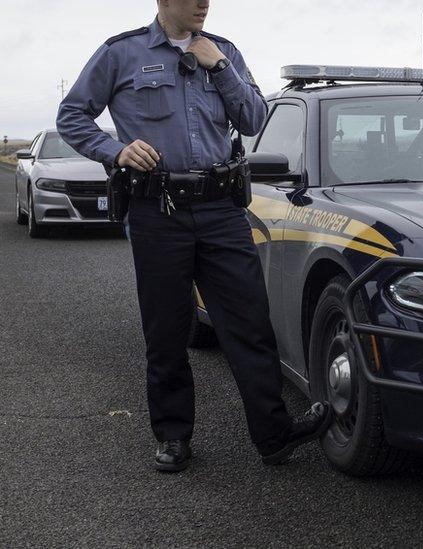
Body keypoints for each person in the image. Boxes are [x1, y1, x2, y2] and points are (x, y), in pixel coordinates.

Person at [56, 0, 329, 472]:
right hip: (156, 213)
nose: (204, 3)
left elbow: (253, 120)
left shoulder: (224, 52)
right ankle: (173, 437)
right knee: (165, 329)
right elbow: (72, 116)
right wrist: (116, 150)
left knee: (249, 322)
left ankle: (274, 434)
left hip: (222, 209)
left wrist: (220, 67)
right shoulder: (120, 53)